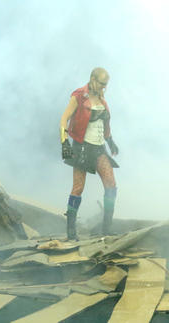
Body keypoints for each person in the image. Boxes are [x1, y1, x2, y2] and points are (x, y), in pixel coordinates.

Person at [60, 67, 119, 240]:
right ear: (93, 79)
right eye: (101, 84)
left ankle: (106, 228)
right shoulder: (79, 95)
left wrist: (110, 141)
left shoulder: (102, 99)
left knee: (111, 186)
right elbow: (64, 119)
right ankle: (71, 232)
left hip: (99, 148)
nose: (104, 88)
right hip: (82, 148)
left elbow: (104, 124)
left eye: (106, 85)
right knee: (78, 189)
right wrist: (64, 142)